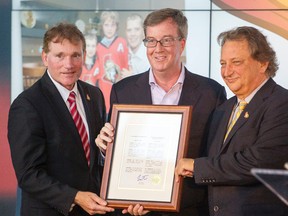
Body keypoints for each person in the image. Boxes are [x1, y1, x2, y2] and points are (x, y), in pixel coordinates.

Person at [96, 8, 227, 216]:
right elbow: (118, 152)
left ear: (182, 44)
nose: (157, 49)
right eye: (151, 40)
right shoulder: (123, 91)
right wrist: (106, 149)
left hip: (191, 208)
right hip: (137, 206)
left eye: (166, 40)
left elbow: (218, 155)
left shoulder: (212, 92)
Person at [175, 26, 288, 216]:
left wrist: (197, 166)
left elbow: (258, 162)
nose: (227, 72)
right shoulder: (222, 109)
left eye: (236, 62)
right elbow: (213, 162)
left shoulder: (282, 103)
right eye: (222, 63)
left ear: (262, 63)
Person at [8, 23, 114, 216]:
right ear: (45, 57)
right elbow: (29, 175)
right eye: (60, 56)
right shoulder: (27, 105)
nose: (69, 64)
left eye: (76, 55)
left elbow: (95, 154)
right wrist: (75, 197)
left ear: (84, 56)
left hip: (95, 209)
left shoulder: (94, 95)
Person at [97, 11, 129, 112]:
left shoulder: (122, 42)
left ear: (116, 26)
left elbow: (126, 65)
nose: (109, 28)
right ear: (102, 26)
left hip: (120, 88)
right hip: (103, 89)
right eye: (106, 25)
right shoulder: (97, 47)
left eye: (112, 25)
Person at [121, 14, 149, 78]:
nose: (132, 34)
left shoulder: (150, 56)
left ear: (143, 31)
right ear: (125, 32)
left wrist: (132, 78)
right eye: (129, 30)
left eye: (136, 29)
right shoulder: (122, 53)